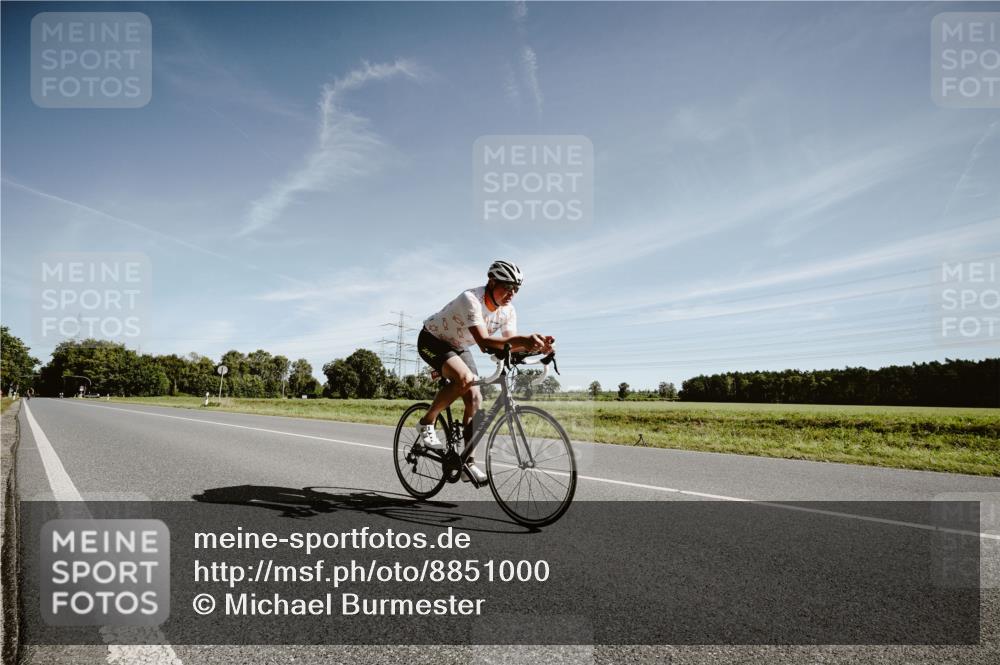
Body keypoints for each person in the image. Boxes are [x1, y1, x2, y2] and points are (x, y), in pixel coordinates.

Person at [416, 260, 554, 483]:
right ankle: (427, 421)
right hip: (432, 339)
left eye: (516, 289)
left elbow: (510, 346)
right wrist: (524, 340)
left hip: (459, 346)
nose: (511, 293)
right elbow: (484, 342)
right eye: (507, 287)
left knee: (475, 398)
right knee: (465, 379)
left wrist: (537, 348)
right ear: (491, 282)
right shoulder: (471, 299)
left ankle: (467, 463)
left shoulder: (508, 311)